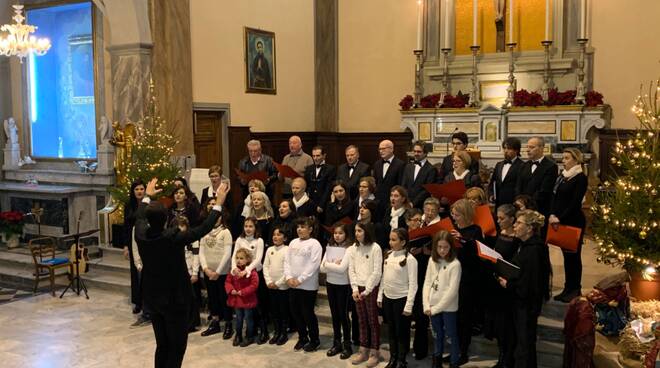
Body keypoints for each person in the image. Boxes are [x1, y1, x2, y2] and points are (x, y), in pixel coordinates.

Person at [134, 178, 228, 368]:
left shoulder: (141, 234)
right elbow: (203, 228)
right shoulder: (173, 237)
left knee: (162, 345)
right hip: (175, 300)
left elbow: (140, 217)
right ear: (166, 220)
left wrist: (147, 197)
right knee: (177, 347)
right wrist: (218, 205)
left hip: (153, 298)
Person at [498, 210, 552, 368]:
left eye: (519, 223)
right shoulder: (524, 245)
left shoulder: (534, 250)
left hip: (526, 305)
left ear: (529, 228)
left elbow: (531, 282)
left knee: (525, 344)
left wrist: (508, 284)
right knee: (521, 342)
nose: (514, 225)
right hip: (520, 302)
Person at [549, 148, 588, 303]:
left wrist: (560, 217)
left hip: (573, 221)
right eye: (563, 158)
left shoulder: (580, 178)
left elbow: (574, 203)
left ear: (576, 160)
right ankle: (567, 288)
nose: (563, 161)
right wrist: (552, 214)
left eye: (566, 158)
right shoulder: (562, 177)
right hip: (559, 220)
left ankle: (575, 288)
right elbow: (554, 196)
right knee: (566, 257)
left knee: (573, 257)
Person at [450, 198, 485, 365]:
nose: (454, 217)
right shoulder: (453, 229)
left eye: (457, 214)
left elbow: (477, 251)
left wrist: (462, 239)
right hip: (453, 278)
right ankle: (454, 350)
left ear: (465, 215)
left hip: (468, 280)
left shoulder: (475, 230)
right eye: (453, 214)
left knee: (464, 318)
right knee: (454, 318)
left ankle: (463, 352)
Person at [377, 228, 418, 368]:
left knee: (402, 331)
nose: (390, 242)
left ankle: (401, 359)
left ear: (403, 242)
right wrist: (380, 296)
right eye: (390, 239)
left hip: (402, 299)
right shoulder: (388, 255)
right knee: (391, 330)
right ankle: (393, 358)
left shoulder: (410, 260)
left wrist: (409, 305)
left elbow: (413, 284)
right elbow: (383, 278)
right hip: (388, 298)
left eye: (394, 240)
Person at [284, 216, 323, 352]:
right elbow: (287, 261)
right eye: (298, 227)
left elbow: (313, 265)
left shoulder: (315, 244)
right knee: (296, 312)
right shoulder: (293, 242)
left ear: (310, 229)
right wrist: (289, 277)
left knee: (307, 313)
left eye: (303, 227)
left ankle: (314, 339)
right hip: (293, 284)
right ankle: (303, 337)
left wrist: (300, 279)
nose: (299, 229)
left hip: (307, 285)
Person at [424, 231, 462, 368]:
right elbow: (427, 283)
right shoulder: (432, 260)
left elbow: (452, 291)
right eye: (439, 247)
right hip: (432, 306)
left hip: (448, 307)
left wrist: (435, 308)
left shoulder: (455, 264)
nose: (442, 250)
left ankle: (454, 363)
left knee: (451, 335)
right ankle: (436, 361)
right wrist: (426, 305)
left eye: (445, 247)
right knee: (437, 335)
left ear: (451, 247)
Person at [348, 222, 383, 367]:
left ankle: (375, 352)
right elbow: (351, 270)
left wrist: (366, 290)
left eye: (360, 230)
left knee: (372, 321)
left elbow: (377, 272)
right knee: (361, 320)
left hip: (371, 289)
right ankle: (363, 350)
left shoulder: (375, 248)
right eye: (355, 230)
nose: (357, 233)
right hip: (358, 289)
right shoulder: (353, 248)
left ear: (367, 231)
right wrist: (355, 289)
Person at [198, 197, 234, 339]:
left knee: (224, 298)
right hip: (208, 271)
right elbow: (201, 251)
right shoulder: (205, 232)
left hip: (222, 273)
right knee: (212, 298)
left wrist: (218, 272)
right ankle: (215, 322)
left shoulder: (226, 232)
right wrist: (205, 268)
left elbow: (227, 254)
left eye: (218, 217)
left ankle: (229, 324)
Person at [231, 217, 268, 344]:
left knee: (258, 306)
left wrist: (247, 270)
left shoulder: (259, 240)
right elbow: (234, 256)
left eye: (251, 226)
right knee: (242, 307)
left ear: (255, 228)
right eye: (246, 226)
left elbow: (258, 259)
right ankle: (241, 334)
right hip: (240, 276)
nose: (248, 228)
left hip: (254, 274)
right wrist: (234, 269)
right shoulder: (240, 240)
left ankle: (262, 332)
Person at [490, 204, 518, 368]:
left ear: (512, 219)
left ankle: (508, 358)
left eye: (502, 218)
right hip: (497, 282)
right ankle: (502, 355)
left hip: (508, 284)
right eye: (497, 218)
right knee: (499, 326)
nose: (498, 221)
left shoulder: (517, 237)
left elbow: (515, 262)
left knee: (508, 325)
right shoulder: (500, 233)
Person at [320, 223, 354, 360]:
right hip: (330, 283)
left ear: (346, 234)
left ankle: (347, 345)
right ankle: (336, 343)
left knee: (343, 315)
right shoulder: (330, 247)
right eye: (335, 233)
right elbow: (321, 269)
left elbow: (342, 269)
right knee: (334, 315)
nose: (337, 235)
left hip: (343, 285)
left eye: (340, 233)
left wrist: (328, 265)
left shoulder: (349, 249)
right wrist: (334, 264)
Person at [122, 179, 151, 326]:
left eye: (142, 189)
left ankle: (148, 304)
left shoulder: (150, 203)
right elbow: (127, 226)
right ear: (133, 192)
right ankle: (138, 302)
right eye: (137, 189)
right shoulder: (129, 205)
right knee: (135, 273)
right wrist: (126, 246)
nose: (139, 191)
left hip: (146, 240)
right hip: (133, 242)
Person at [405, 207, 432, 361]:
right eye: (414, 220)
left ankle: (420, 349)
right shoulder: (402, 234)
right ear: (408, 221)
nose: (418, 223)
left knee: (421, 317)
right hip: (405, 282)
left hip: (421, 281)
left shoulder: (426, 234)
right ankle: (403, 348)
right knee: (405, 317)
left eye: (419, 220)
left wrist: (426, 252)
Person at [515, 137, 558, 218]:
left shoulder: (551, 166)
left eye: (532, 147)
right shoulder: (523, 165)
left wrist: (528, 205)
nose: (528, 150)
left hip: (540, 210)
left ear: (542, 148)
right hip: (522, 209)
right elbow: (518, 186)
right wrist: (519, 202)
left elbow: (544, 190)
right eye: (527, 147)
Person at [226, 248, 259, 347]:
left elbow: (254, 285)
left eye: (241, 258)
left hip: (247, 299)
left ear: (248, 260)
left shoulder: (251, 272)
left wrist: (243, 292)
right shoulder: (233, 271)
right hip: (237, 300)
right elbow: (228, 282)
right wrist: (231, 290)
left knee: (248, 318)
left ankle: (249, 336)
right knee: (238, 318)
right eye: (237, 258)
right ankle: (238, 335)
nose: (238, 260)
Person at [262, 225, 290, 345]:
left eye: (279, 234)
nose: (275, 237)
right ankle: (277, 331)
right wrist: (268, 281)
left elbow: (288, 269)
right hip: (271, 286)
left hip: (282, 286)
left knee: (283, 310)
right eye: (274, 234)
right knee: (274, 310)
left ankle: (283, 333)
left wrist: (278, 283)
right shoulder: (269, 250)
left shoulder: (287, 250)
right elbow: (265, 266)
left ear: (285, 238)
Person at [174, 217, 202, 333]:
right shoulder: (173, 239)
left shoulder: (193, 239)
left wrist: (195, 273)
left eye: (183, 226)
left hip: (191, 272)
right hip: (179, 272)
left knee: (192, 299)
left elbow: (196, 257)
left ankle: (193, 323)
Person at [488, 138, 524, 209]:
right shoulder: (499, 165)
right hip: (498, 203)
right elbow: (493, 183)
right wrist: (491, 194)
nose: (505, 151)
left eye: (509, 148)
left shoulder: (522, 165)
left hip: (513, 204)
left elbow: (520, 186)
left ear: (516, 150)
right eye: (504, 148)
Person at [401, 141, 437, 208]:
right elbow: (404, 185)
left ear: (426, 153)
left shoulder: (431, 169)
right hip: (406, 204)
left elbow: (426, 191)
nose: (416, 154)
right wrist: (406, 201)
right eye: (414, 151)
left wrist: (413, 203)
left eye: (419, 152)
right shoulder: (408, 167)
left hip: (421, 205)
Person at [373, 140, 405, 213]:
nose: (381, 151)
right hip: (379, 202)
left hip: (393, 201)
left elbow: (400, 185)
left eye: (383, 149)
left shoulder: (400, 164)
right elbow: (375, 183)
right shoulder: (377, 164)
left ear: (391, 149)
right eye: (379, 149)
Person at [304, 145, 336, 216]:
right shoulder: (309, 169)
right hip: (310, 204)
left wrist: (321, 205)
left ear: (324, 156)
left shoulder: (331, 169)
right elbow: (306, 187)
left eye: (318, 156)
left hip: (324, 204)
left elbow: (328, 188)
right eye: (313, 156)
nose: (315, 158)